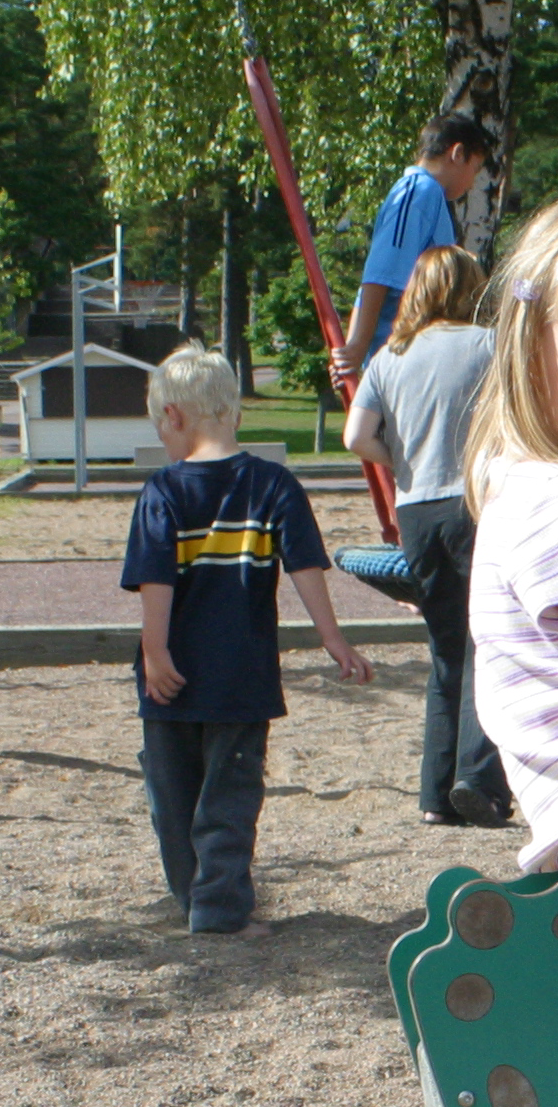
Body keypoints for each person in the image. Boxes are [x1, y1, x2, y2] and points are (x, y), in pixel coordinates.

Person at [124, 346, 372, 936]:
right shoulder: (273, 484)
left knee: (173, 798)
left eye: (160, 424)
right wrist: (333, 639)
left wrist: (154, 654)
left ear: (175, 416)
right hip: (242, 675)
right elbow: (305, 568)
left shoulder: (162, 492)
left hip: (170, 676)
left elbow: (155, 580)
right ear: (232, 413)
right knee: (230, 797)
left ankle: (201, 903)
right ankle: (214, 907)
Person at [343, 244, 509, 828]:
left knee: (444, 649)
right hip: (476, 502)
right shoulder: (489, 346)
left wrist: (404, 461)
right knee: (486, 642)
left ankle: (434, 793)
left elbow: (355, 437)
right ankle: (478, 780)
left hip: (416, 511)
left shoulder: (392, 353)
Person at [329, 113, 493, 380]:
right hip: (398, 357)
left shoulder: (431, 197)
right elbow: (379, 273)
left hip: (420, 355)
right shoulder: (418, 192)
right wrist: (357, 347)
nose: (472, 182)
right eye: (474, 169)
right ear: (458, 153)